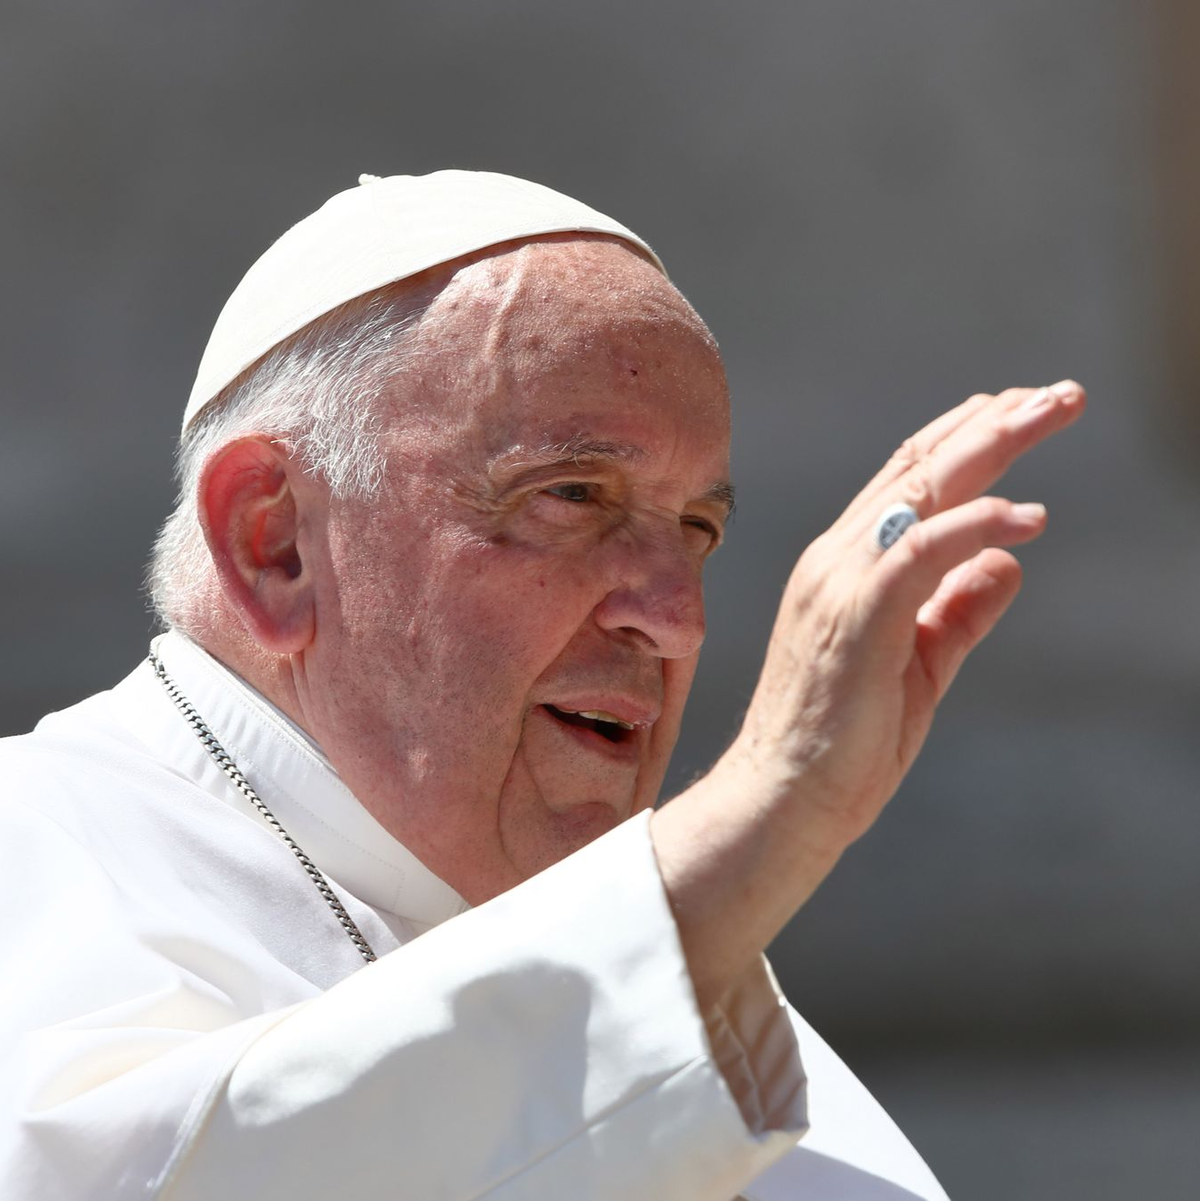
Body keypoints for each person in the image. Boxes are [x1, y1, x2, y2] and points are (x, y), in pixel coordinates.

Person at [0, 170, 1084, 1201]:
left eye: (697, 529)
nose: (677, 618)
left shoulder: (718, 1006)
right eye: (572, 495)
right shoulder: (37, 847)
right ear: (274, 541)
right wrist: (773, 797)